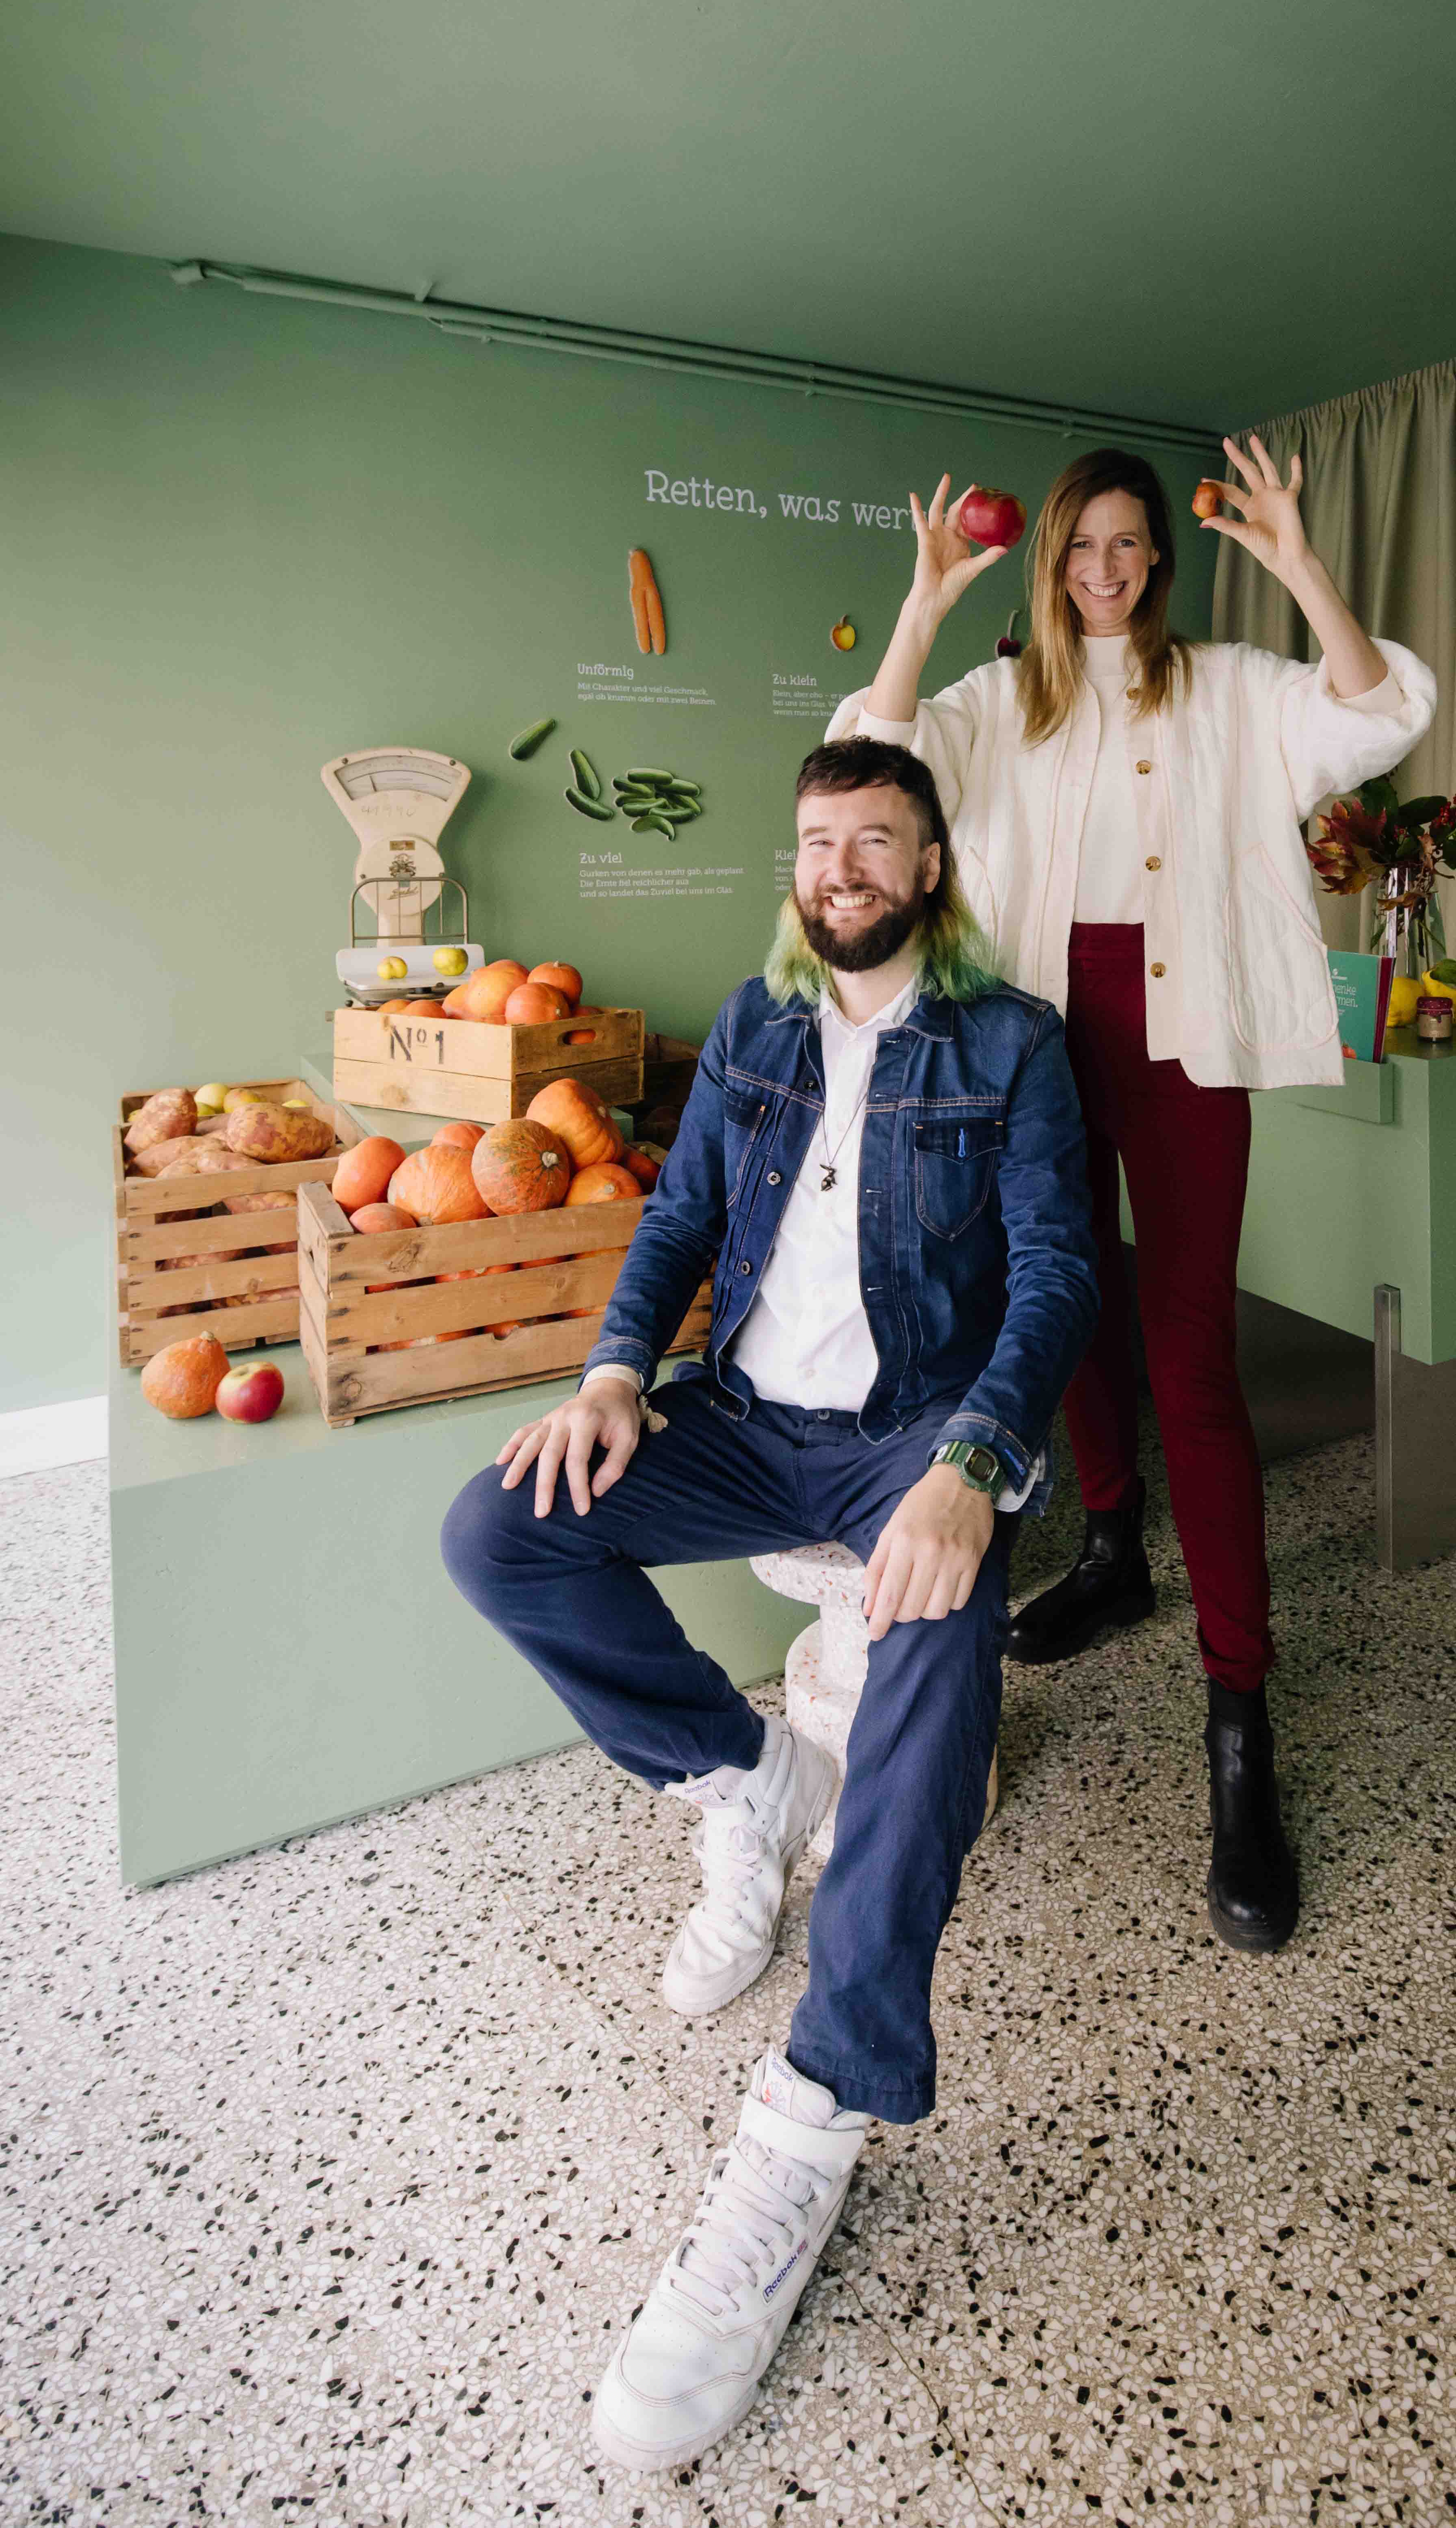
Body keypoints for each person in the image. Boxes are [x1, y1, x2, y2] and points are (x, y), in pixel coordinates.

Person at [441, 737, 1096, 2473]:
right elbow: (675, 1226)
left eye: (876, 841)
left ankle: (810, 2119)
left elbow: (1057, 1273)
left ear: (928, 869)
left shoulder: (1014, 1044)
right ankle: (750, 1783)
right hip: (738, 1423)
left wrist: (973, 1465)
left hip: (912, 1437)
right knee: (500, 1530)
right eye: (818, 842)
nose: (842, 869)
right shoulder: (755, 1021)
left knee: (938, 1638)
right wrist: (611, 1373)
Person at [827, 438, 1437, 1956]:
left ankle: (1242, 1724)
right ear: (1050, 558)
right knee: (1068, 1309)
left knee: (1192, 1355)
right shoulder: (1001, 701)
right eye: (1081, 545)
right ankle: (1113, 1551)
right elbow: (870, 759)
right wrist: (922, 605)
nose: (1104, 569)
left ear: (1158, 557)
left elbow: (1381, 716)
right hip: (1037, 1036)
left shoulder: (1228, 686)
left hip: (1184, 1037)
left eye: (1128, 544)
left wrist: (1299, 562)